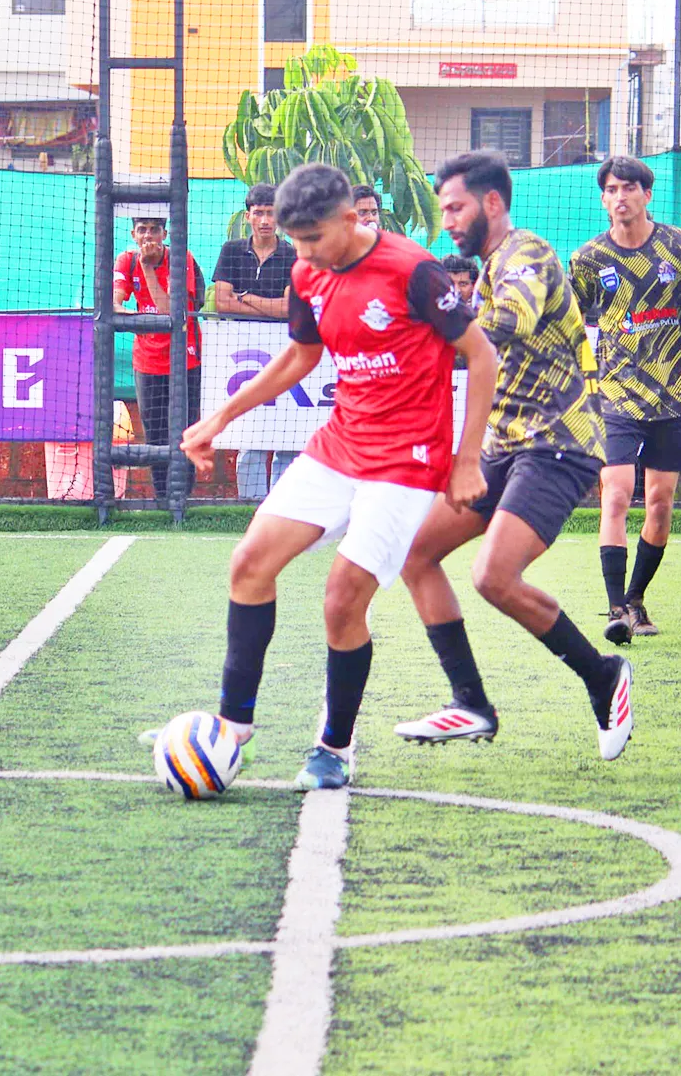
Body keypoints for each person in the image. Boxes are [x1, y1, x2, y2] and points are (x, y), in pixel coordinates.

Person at [171, 162, 497, 790]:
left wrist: (466, 460)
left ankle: (335, 747)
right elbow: (301, 355)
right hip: (340, 444)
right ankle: (233, 726)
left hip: (408, 461)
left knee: (343, 596)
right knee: (249, 563)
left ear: (351, 219)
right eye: (295, 241)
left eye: (314, 239)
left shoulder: (415, 272)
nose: (303, 254)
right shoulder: (306, 271)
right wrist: (221, 416)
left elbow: (480, 356)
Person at [391, 150, 633, 761]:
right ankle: (470, 703)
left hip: (559, 444)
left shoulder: (526, 253)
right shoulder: (490, 265)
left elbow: (507, 321)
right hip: (507, 447)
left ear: (492, 203)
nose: (447, 221)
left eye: (456, 208)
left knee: (492, 577)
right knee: (415, 553)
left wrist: (422, 328)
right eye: (444, 209)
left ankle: (603, 676)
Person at [568, 156, 681, 646]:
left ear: (647, 194)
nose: (620, 197)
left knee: (660, 504)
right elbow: (571, 326)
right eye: (611, 189)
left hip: (673, 393)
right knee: (616, 493)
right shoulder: (588, 258)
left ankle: (636, 598)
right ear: (603, 199)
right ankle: (616, 609)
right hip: (615, 393)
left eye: (629, 188)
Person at [211, 182, 296, 500]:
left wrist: (244, 297)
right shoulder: (231, 250)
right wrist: (266, 305)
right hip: (242, 355)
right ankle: (250, 508)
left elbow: (290, 308)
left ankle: (282, 507)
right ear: (248, 216)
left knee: (288, 437)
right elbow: (222, 302)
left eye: (271, 213)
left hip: (285, 353)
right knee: (250, 437)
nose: (265, 220)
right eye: (258, 213)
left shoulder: (293, 254)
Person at [114, 212, 205, 500]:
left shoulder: (182, 258)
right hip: (147, 361)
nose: (148, 236)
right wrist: (137, 318)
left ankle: (182, 500)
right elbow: (112, 305)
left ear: (165, 234)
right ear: (133, 235)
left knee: (185, 432)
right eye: (142, 229)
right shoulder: (125, 260)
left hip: (184, 360)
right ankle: (162, 500)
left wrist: (148, 268)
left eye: (154, 229)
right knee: (155, 435)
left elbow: (169, 312)